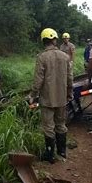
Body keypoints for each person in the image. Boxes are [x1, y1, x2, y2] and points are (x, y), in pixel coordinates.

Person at [29, 28, 73, 164]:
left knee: (48, 126)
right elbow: (70, 78)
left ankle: (50, 155)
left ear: (43, 41)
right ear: (54, 40)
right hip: (61, 97)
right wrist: (69, 93)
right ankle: (62, 152)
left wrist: (33, 95)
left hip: (47, 98)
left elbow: (38, 80)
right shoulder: (65, 57)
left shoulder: (41, 57)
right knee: (61, 124)